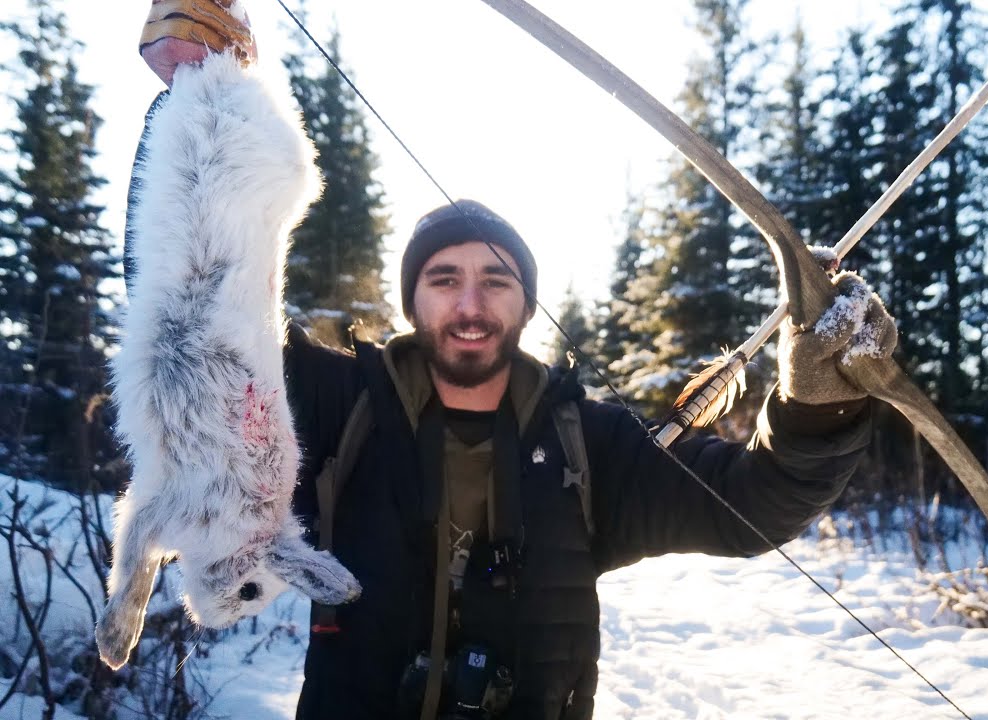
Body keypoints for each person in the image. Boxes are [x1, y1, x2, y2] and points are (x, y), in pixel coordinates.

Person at [127, 3, 897, 718]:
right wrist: (204, 86)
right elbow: (197, 312)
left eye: (496, 281)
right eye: (444, 279)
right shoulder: (332, 407)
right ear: (413, 301)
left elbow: (755, 506)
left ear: (526, 304)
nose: (470, 303)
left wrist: (817, 403)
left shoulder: (593, 446)